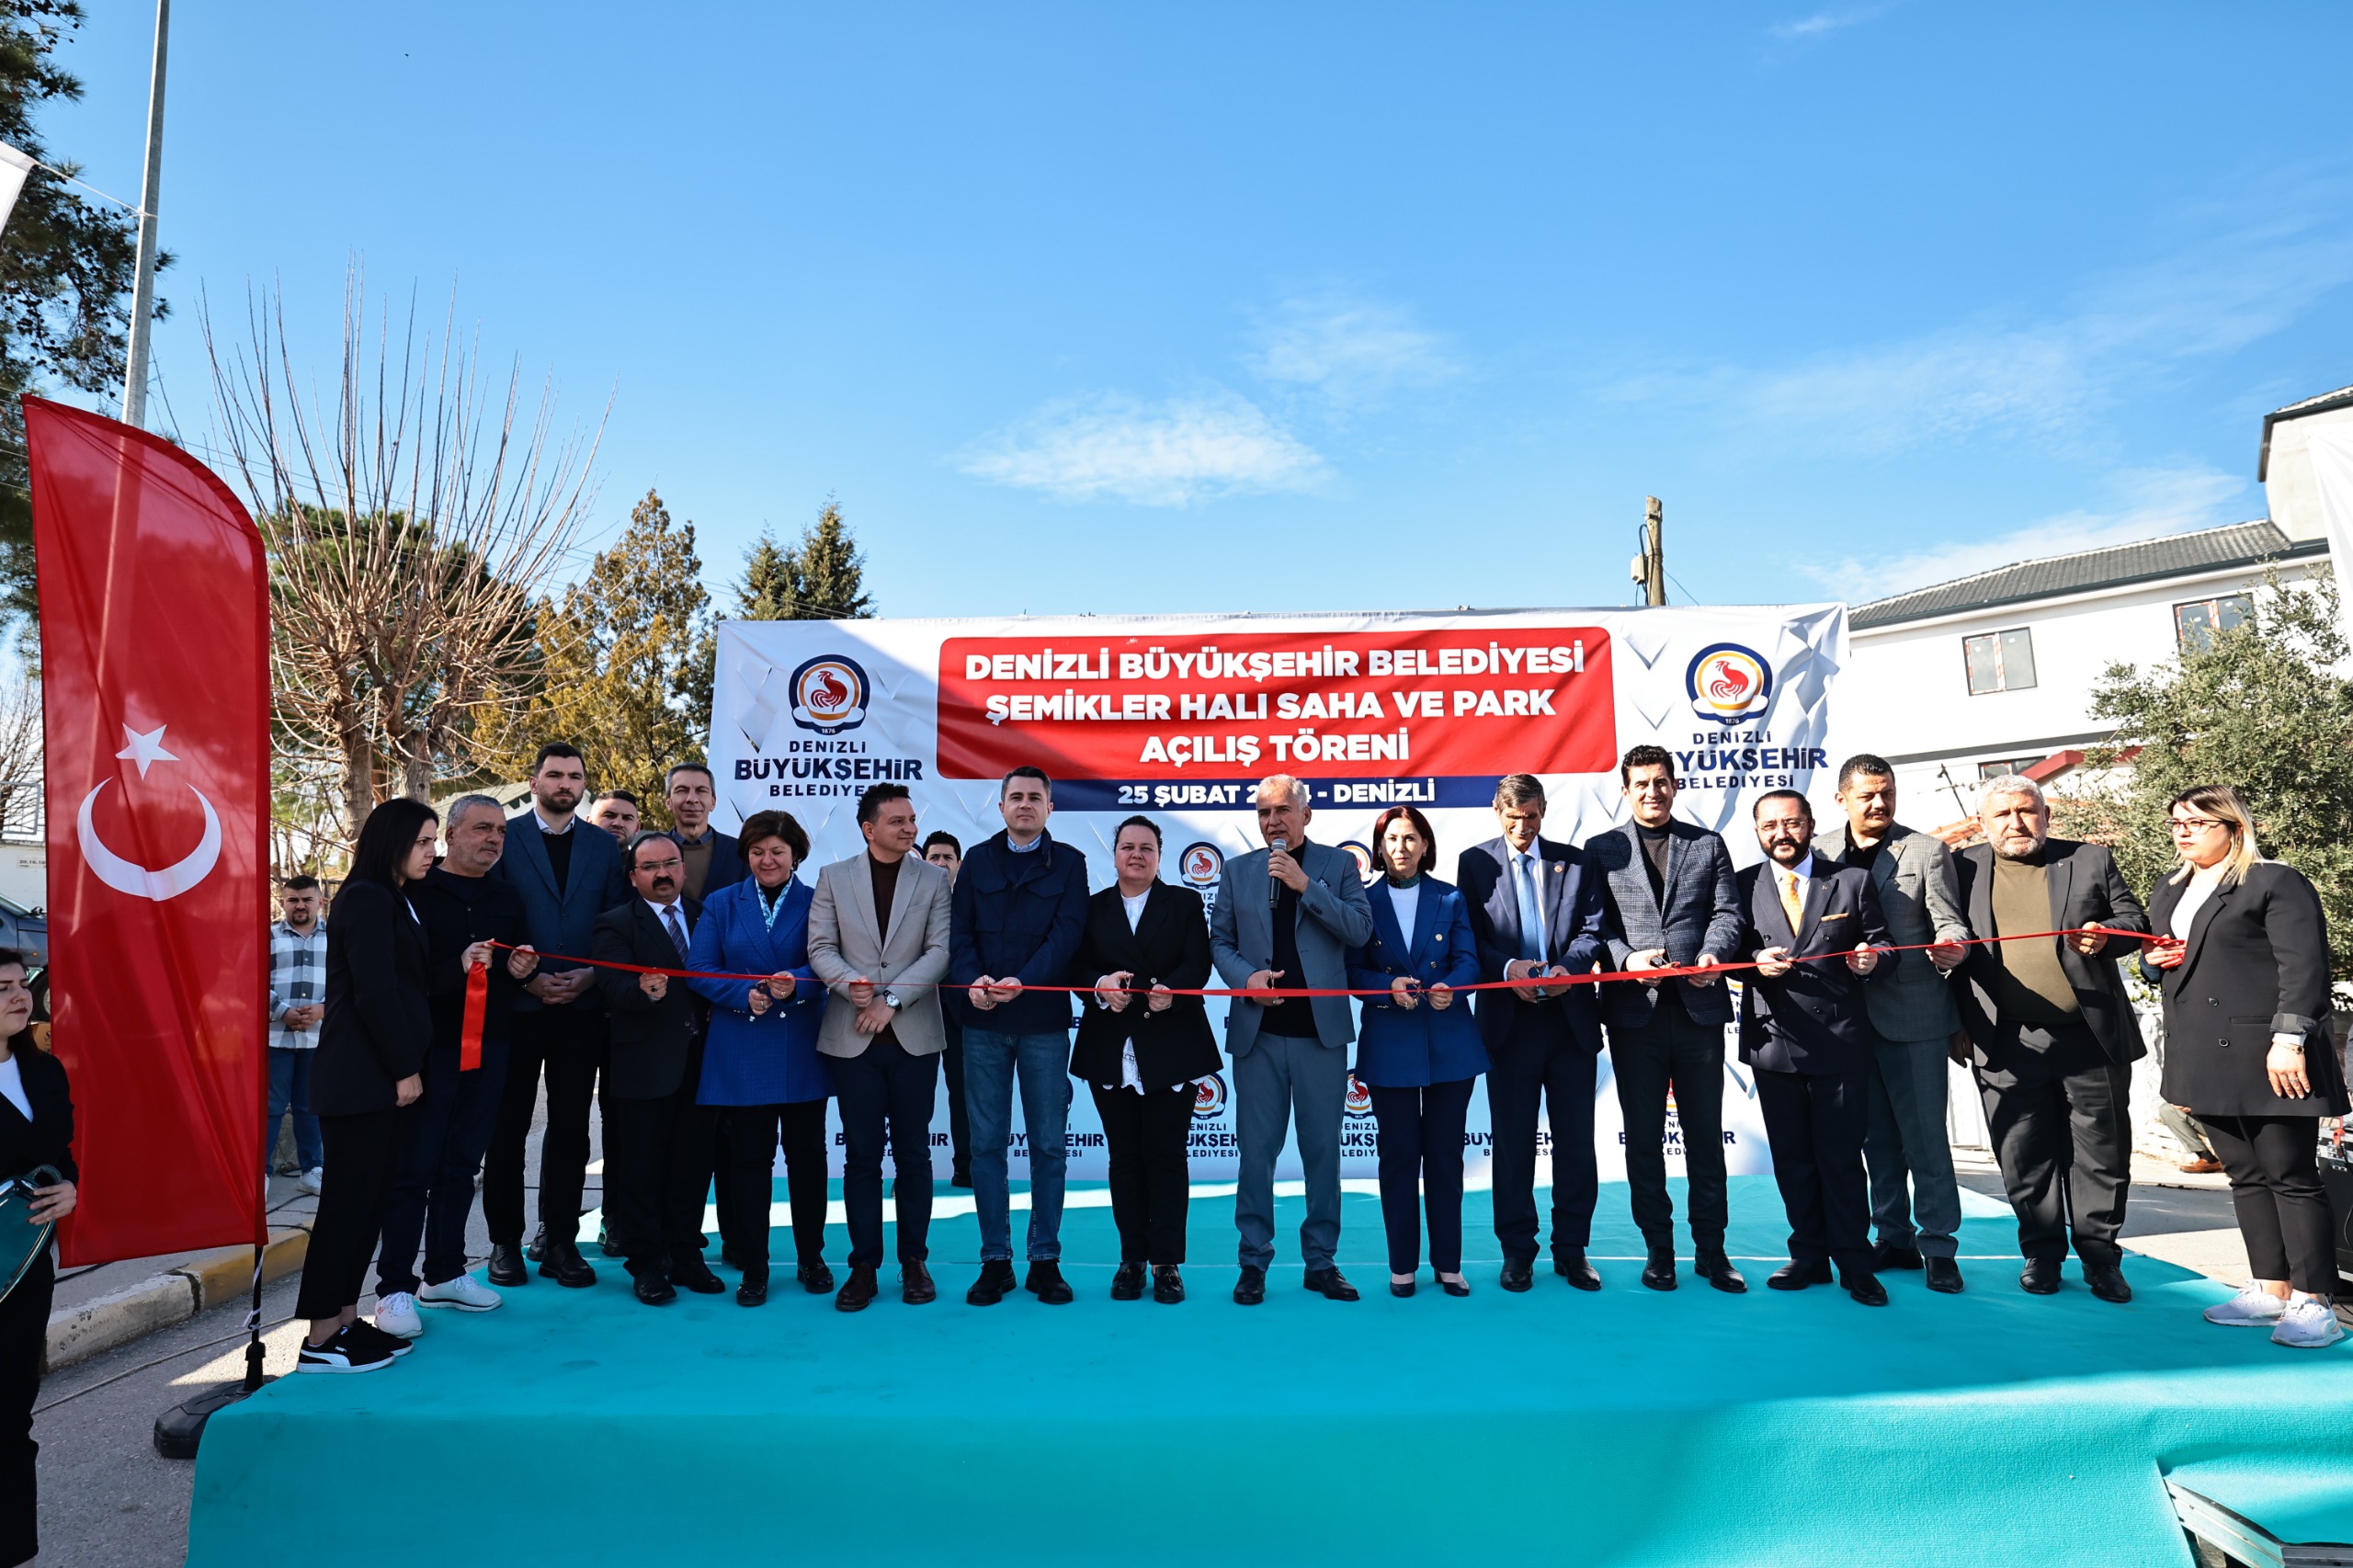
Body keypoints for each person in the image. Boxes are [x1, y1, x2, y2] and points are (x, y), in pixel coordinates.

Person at [2143, 785, 2346, 1349]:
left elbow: (2304, 968)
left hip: (2272, 1053)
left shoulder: (2273, 881)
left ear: (2233, 827)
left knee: (2291, 1176)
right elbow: (2171, 965)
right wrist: (2152, 961)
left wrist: (2290, 1040)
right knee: (2245, 1176)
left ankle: (2316, 1303)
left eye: (2198, 822)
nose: (2184, 831)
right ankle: (2271, 1289)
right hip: (2204, 1053)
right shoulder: (2170, 888)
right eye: (2177, 822)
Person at [1953, 775, 2148, 1303]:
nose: (2016, 823)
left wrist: (2107, 936)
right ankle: (2041, 1254)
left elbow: (2134, 919)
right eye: (2002, 814)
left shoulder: (2088, 858)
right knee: (2023, 1155)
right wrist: (1955, 1024)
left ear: (2045, 815)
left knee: (2102, 1153)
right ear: (1983, 822)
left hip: (2091, 1036)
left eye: (2026, 811)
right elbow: (1944, 940)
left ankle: (2102, 1260)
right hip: (2004, 1040)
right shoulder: (1960, 867)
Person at [1584, 747, 1747, 1293]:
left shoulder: (1708, 844)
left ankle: (1712, 1251)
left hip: (1700, 1010)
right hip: (1635, 1015)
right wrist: (1627, 959)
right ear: (1625, 790)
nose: (1652, 792)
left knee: (1705, 1137)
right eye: (1641, 784)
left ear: (1675, 786)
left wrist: (1712, 954)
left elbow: (1728, 912)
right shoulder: (1601, 849)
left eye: (1660, 782)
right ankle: (1659, 1250)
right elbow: (1596, 925)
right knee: (1644, 1139)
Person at [373, 797, 540, 1335]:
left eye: (501, 832)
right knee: (414, 1169)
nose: (494, 839)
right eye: (482, 828)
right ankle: (394, 1288)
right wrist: (457, 968)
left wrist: (519, 968)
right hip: (430, 1051)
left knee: (462, 1165)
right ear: (450, 834)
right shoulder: (414, 892)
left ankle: (444, 1272)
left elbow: (508, 971)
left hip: (490, 1049)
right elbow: (396, 978)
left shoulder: (507, 896)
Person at [1210, 774, 1375, 1305]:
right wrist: (1246, 980)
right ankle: (1253, 1262)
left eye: (1282, 810)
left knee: (1322, 1152)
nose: (1272, 821)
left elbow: (1360, 930)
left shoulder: (1339, 865)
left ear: (1306, 814)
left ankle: (1321, 1262)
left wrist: (1307, 886)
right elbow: (1220, 941)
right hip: (1258, 1036)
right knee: (1256, 1154)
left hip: (1319, 1037)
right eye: (1263, 812)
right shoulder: (1237, 871)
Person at [1817, 755, 1972, 1293]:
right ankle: (1893, 1236)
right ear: (1842, 799)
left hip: (1915, 1014)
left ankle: (1939, 1246)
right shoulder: (1820, 851)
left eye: (1887, 793)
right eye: (1867, 795)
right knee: (1875, 1141)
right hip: (1845, 1022)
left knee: (1926, 1138)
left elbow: (1950, 920)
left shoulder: (1926, 850)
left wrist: (1952, 945)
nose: (1879, 803)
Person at [1733, 790, 1892, 1307]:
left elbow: (1884, 942)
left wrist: (1873, 960)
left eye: (1792, 823)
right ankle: (1808, 1255)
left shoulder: (1850, 880)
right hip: (1775, 1042)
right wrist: (1754, 962)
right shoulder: (1741, 884)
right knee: (1792, 1159)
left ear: (1810, 824)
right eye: (1770, 826)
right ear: (1758, 832)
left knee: (1841, 1159)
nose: (1781, 834)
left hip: (1839, 1042)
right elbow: (1730, 950)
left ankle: (1855, 1262)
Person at [297, 799, 437, 1373]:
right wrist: (404, 1067)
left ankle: (346, 1321)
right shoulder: (366, 898)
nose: (431, 852)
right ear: (392, 842)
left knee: (368, 1206)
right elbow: (375, 992)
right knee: (347, 1208)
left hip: (376, 1079)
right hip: (361, 1079)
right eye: (423, 841)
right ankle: (320, 1337)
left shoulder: (394, 897)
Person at [1458, 774, 1611, 1292]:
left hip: (1570, 1024)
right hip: (1509, 1024)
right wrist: (1509, 971)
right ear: (1497, 812)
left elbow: (1594, 929)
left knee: (1576, 1144)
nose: (1523, 827)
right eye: (1513, 817)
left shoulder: (1577, 861)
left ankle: (1572, 1250)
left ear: (1543, 811)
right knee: (1513, 1145)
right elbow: (1470, 937)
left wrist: (1569, 969)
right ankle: (1517, 1252)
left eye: (1531, 816)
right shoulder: (1474, 863)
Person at [483, 744, 629, 1290]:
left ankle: (561, 1241)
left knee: (570, 1129)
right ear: (534, 781)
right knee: (508, 1127)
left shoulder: (603, 845)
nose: (564, 783)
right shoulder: (507, 837)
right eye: (554, 774)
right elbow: (492, 915)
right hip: (518, 1005)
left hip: (582, 1006)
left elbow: (615, 921)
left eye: (574, 776)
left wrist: (591, 976)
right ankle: (504, 1242)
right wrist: (527, 978)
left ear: (583, 784)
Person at [808, 783, 954, 1311]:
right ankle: (864, 1266)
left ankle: (914, 1261)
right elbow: (820, 947)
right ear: (869, 829)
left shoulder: (934, 879)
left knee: (914, 1155)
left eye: (912, 819)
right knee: (862, 1158)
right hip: (853, 1040)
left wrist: (890, 1000)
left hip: (914, 1038)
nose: (910, 828)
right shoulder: (833, 877)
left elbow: (940, 951)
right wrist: (851, 985)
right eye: (898, 821)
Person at [950, 767, 1090, 1306]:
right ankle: (995, 1261)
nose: (1025, 804)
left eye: (1035, 797)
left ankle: (1045, 1259)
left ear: (1050, 807)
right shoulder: (977, 860)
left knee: (1049, 1146)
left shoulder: (1071, 863)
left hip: (1043, 1024)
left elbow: (1066, 936)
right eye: (1016, 796)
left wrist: (1023, 982)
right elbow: (959, 934)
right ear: (1002, 805)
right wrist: (974, 982)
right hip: (983, 1022)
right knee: (986, 1147)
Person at [1074, 815, 1220, 1304]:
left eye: (1146, 848)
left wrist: (1171, 992)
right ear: (1114, 854)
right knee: (1125, 1158)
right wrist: (1100, 987)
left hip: (1172, 1045)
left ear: (1159, 855)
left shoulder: (1184, 902)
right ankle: (1132, 1259)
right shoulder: (1091, 907)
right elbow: (1076, 966)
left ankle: (1167, 1263)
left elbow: (1198, 963)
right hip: (1111, 1049)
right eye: (1128, 847)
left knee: (1167, 1156)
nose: (1136, 855)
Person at [687, 810, 830, 1307]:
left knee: (808, 1159)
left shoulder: (818, 901)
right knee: (748, 1162)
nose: (767, 860)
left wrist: (799, 982)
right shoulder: (722, 902)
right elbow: (698, 968)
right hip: (741, 1048)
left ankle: (812, 1257)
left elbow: (829, 961)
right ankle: (754, 1266)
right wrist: (743, 994)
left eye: (777, 851)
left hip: (802, 1046)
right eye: (757, 851)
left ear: (796, 856)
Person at [1351, 806, 1484, 1298]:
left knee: (1446, 1158)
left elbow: (1469, 960)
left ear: (1425, 845)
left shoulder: (1450, 897)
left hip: (1450, 1043)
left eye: (1410, 838)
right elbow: (1352, 972)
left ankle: (1449, 1264)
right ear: (1379, 847)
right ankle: (1402, 1266)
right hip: (1390, 1046)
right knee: (1399, 1157)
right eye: (1391, 839)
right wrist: (1387, 988)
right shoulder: (1363, 902)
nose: (1401, 848)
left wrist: (1454, 986)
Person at [594, 832, 727, 1305]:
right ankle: (647, 1264)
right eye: (650, 867)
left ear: (684, 869)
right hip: (644, 1065)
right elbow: (612, 985)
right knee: (642, 1169)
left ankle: (687, 1255)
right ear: (633, 877)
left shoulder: (706, 915)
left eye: (670, 863)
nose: (663, 873)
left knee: (693, 1165)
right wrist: (641, 992)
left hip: (704, 1063)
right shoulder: (614, 924)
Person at [0, 952, 75, 1567]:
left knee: (11, 1414)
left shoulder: (44, 1069)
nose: (19, 997)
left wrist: (71, 1188)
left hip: (24, 1265)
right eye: (1, 988)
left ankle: (13, 1549)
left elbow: (62, 1154)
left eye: (21, 985)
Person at [266, 875, 328, 1192]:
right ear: (283, 902)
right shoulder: (267, 936)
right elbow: (252, 978)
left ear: (320, 902)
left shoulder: (337, 938)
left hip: (317, 1039)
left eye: (307, 899)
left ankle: (312, 1170)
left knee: (310, 1105)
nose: (300, 905)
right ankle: (260, 1174)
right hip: (275, 1037)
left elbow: (346, 981)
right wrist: (282, 1011)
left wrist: (323, 1009)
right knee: (271, 1107)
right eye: (293, 899)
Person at [922, 829, 973, 1187]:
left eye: (948, 858)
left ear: (959, 864)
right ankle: (911, 1172)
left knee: (964, 1092)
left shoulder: (971, 907)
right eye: (934, 857)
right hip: (915, 1011)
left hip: (962, 1014)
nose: (941, 864)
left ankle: (966, 1168)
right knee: (914, 1096)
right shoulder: (907, 905)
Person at [666, 763, 746, 899]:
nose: (692, 799)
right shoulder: (648, 853)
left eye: (701, 791)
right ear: (668, 802)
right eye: (682, 790)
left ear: (713, 802)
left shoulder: (739, 853)